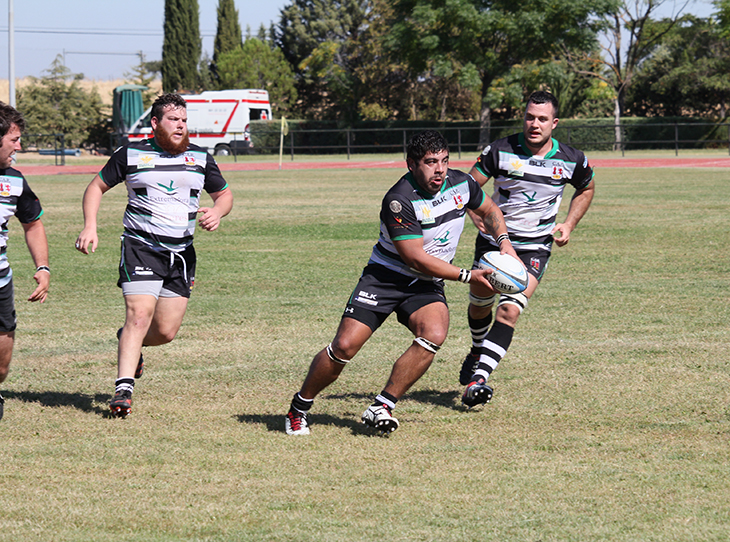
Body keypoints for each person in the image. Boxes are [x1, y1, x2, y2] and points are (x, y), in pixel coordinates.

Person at [285, 130, 517, 436]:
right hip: (385, 279)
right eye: (431, 162)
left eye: (444, 161)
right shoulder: (399, 199)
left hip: (426, 284)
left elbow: (489, 211)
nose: (440, 169)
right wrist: (466, 275)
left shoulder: (462, 183)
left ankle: (382, 405)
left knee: (433, 333)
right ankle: (298, 408)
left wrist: (504, 243)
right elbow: (415, 258)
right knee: (344, 346)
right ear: (411, 164)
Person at [75, 93, 233, 419]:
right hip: (141, 246)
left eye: (185, 121)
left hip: (182, 253)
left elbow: (225, 194)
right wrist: (90, 226)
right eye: (174, 120)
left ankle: (130, 343)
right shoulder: (131, 154)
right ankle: (123, 389)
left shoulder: (200, 158)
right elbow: (95, 188)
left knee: (165, 332)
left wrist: (218, 211)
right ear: (156, 123)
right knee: (139, 315)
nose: (181, 126)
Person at [459, 90, 595, 406]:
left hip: (534, 248)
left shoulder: (572, 159)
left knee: (508, 311)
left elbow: (586, 188)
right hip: (493, 245)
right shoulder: (499, 150)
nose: (535, 124)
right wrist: (473, 213)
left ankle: (478, 379)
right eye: (530, 117)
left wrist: (569, 224)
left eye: (542, 119)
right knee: (480, 305)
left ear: (554, 123)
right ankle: (478, 347)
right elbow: (467, 185)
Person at [0, 102, 51, 422]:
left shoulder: (15, 181)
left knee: (2, 364)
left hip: (1, 281)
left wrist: (42, 267)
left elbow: (32, 224)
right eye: (14, 139)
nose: (19, 146)